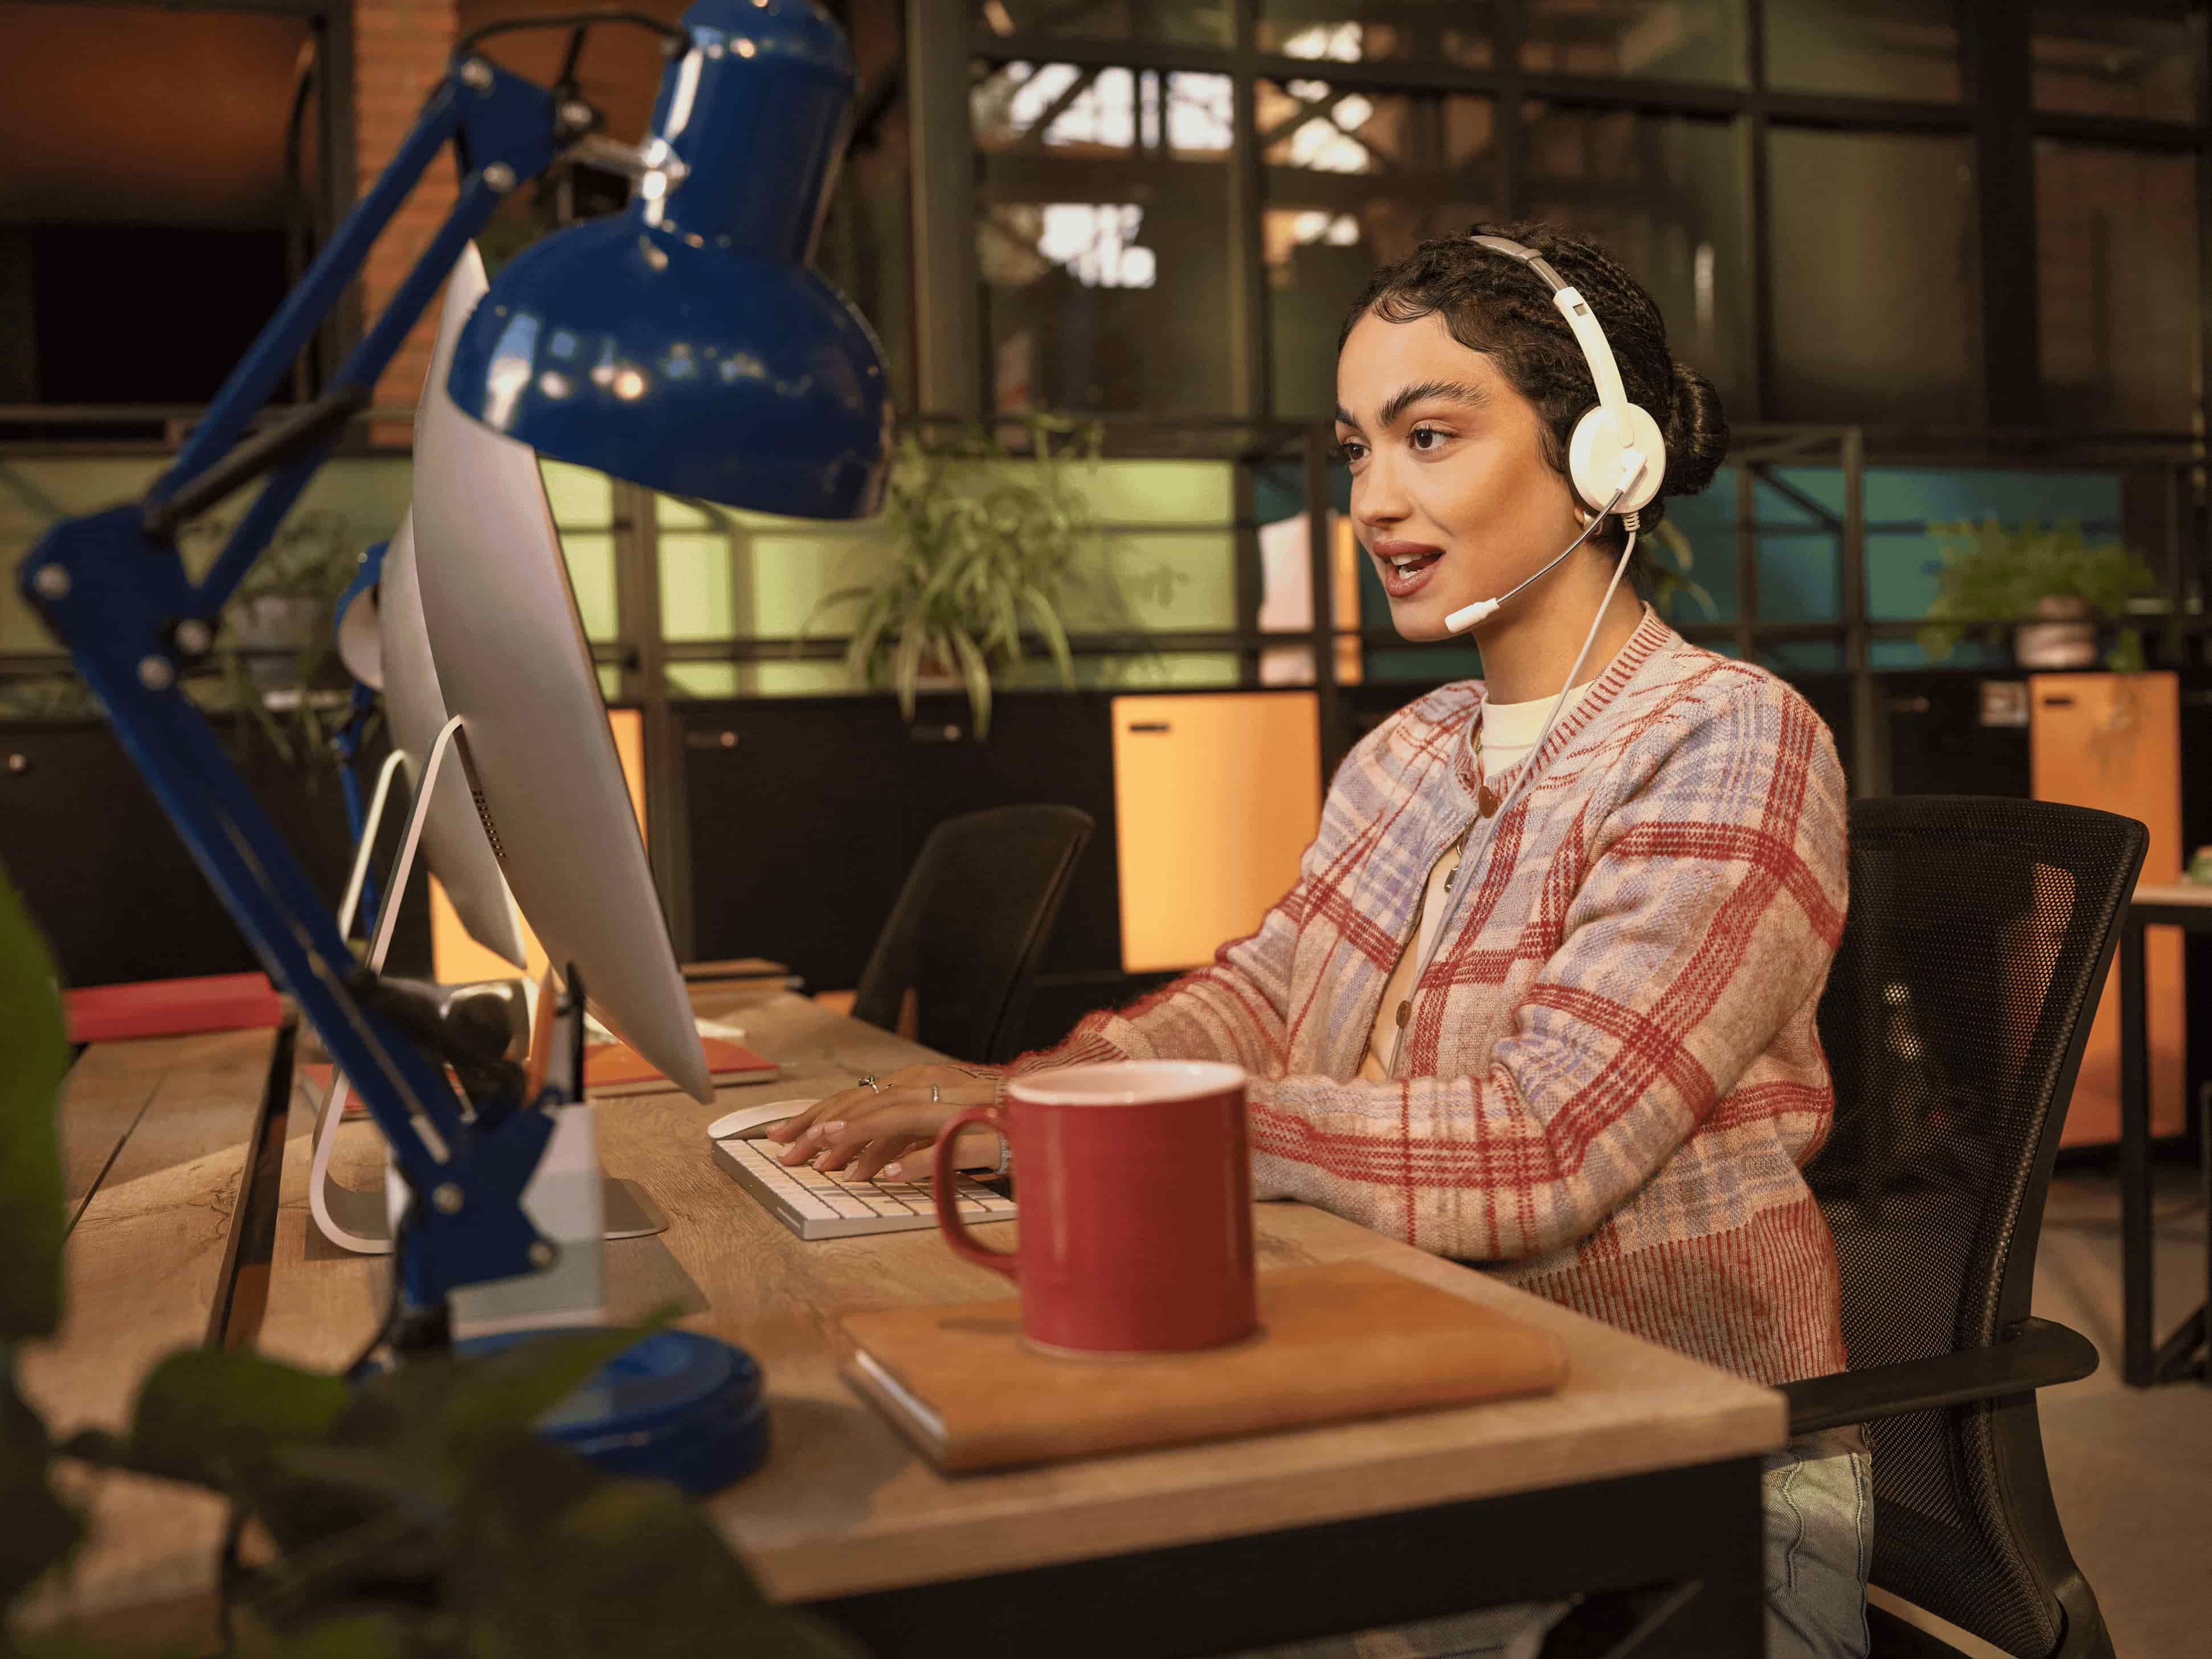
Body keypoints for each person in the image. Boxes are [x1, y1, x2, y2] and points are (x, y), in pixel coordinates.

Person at [767, 222, 1870, 1659]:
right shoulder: (1410, 753)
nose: (1375, 498)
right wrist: (1043, 1099)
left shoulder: (1729, 739)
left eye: (1429, 435)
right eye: (1357, 449)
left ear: (1608, 458)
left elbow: (1541, 1144)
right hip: (1414, 1376)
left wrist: (1119, 1133)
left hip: (1663, 1462)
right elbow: (1259, 990)